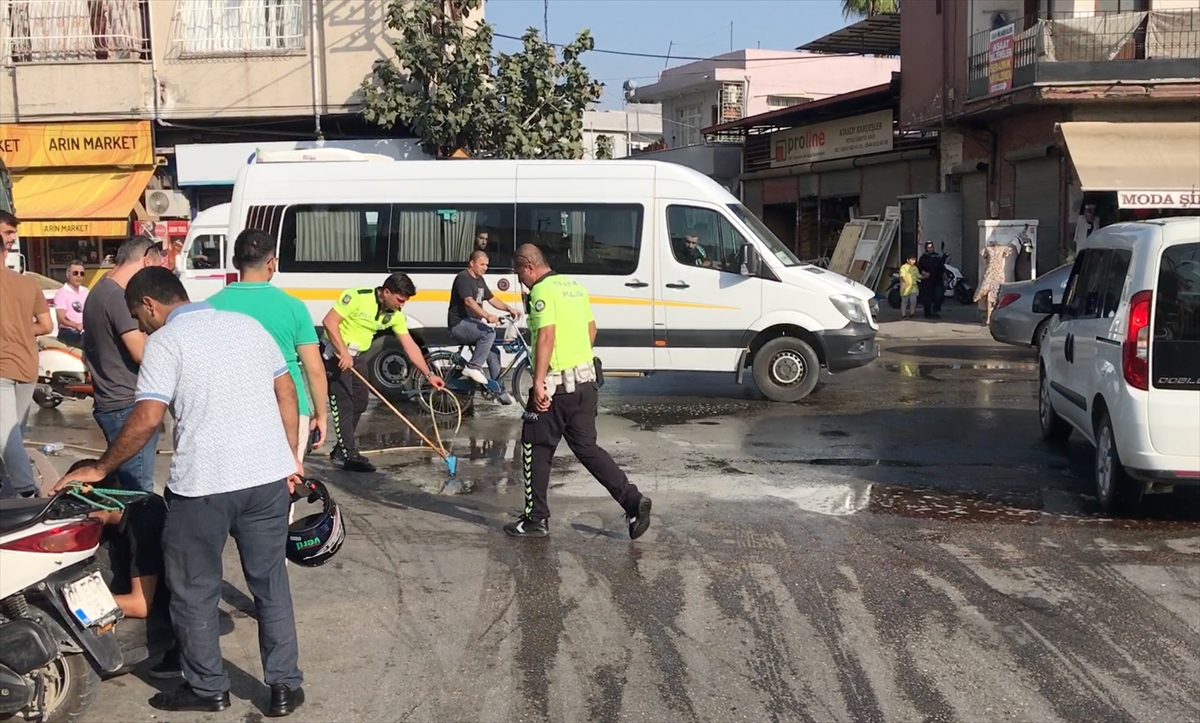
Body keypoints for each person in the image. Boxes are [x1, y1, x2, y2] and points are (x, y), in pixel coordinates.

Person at [56, 267, 307, 716]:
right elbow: (286, 389)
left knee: (194, 589)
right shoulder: (247, 326)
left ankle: (208, 686)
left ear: (150, 305)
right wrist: (290, 457)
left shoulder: (166, 343)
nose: (140, 324)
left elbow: (148, 416)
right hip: (267, 479)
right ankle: (285, 685)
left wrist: (100, 466)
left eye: (137, 315)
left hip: (204, 485)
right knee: (270, 583)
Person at [504, 243, 652, 540]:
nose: (521, 282)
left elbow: (546, 336)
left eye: (520, 275)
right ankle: (633, 501)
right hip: (585, 384)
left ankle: (536, 519)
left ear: (527, 266)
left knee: (535, 447)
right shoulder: (574, 286)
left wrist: (538, 382)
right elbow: (592, 330)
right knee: (588, 449)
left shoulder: (542, 292)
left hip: (557, 387)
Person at [209, 229, 328, 461]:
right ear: (272, 263)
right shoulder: (294, 307)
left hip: (232, 411)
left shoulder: (211, 306)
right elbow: (314, 369)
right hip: (290, 411)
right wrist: (321, 415)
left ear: (235, 262)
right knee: (285, 485)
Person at [68, 459, 182, 679]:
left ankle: (176, 646)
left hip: (163, 612)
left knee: (84, 643)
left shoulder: (144, 524)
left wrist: (81, 604)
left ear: (97, 505)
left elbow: (140, 606)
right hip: (137, 588)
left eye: (80, 513)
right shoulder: (121, 509)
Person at [322, 273, 444, 473]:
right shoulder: (357, 297)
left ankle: (341, 446)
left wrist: (429, 375)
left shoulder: (394, 315)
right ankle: (350, 455)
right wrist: (342, 352)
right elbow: (329, 322)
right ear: (386, 292)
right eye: (400, 300)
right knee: (344, 402)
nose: (401, 305)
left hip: (357, 355)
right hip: (335, 353)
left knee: (360, 402)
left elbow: (410, 346)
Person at [82, 235, 163, 493]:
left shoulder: (99, 290)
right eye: (156, 269)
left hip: (112, 401)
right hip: (127, 405)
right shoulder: (118, 298)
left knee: (124, 487)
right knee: (137, 491)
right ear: (146, 260)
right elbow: (142, 353)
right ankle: (139, 534)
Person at [0, 211, 52, 498]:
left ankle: (25, 490)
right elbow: (46, 325)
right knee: (14, 435)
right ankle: (9, 488)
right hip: (28, 366)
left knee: (6, 438)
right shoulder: (29, 283)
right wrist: (20, 328)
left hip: (2, 368)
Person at [449, 250, 520, 402]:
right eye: (482, 264)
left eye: (487, 265)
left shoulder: (480, 280)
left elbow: (492, 299)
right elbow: (468, 301)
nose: (485, 268)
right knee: (489, 333)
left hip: (472, 324)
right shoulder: (463, 278)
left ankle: (498, 391)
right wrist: (487, 316)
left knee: (494, 352)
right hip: (460, 324)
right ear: (472, 263)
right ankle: (473, 367)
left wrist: (509, 308)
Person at [975, 239, 1016, 326]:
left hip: (991, 273)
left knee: (992, 296)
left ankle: (989, 318)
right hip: (997, 273)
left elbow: (983, 255)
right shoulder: (1002, 249)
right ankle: (990, 317)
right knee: (994, 295)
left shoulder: (990, 249)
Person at [53, 260, 89, 348]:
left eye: (81, 274)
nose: (79, 276)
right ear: (68, 274)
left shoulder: (86, 291)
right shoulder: (61, 293)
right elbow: (61, 318)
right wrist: (76, 325)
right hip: (68, 331)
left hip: (85, 331)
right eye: (75, 273)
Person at [917, 242, 945, 319]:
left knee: (938, 295)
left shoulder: (937, 256)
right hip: (927, 282)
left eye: (931, 247)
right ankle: (928, 313)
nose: (930, 249)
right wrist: (923, 272)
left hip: (937, 280)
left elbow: (942, 267)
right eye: (928, 247)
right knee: (927, 298)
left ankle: (936, 311)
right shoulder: (923, 258)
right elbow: (919, 268)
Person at [898, 253, 922, 320]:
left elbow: (918, 276)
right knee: (904, 301)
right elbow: (902, 276)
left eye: (914, 260)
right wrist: (906, 282)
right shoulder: (904, 267)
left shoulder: (915, 268)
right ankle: (903, 315)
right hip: (905, 288)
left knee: (913, 301)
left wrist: (924, 277)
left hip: (914, 287)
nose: (914, 261)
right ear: (907, 260)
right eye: (912, 260)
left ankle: (912, 313)